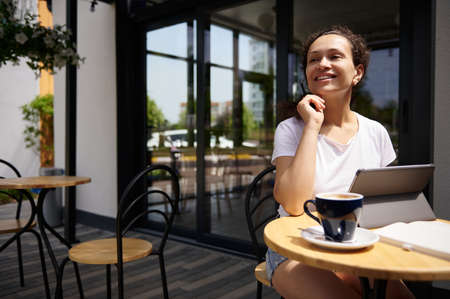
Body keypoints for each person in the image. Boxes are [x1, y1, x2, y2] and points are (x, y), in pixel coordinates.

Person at [267, 25, 415, 299]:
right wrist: (311, 126)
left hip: (357, 247)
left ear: (357, 72)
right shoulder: (290, 129)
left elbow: (387, 204)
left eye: (334, 56)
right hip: (296, 250)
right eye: (314, 59)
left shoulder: (375, 132)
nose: (322, 64)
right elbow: (292, 203)